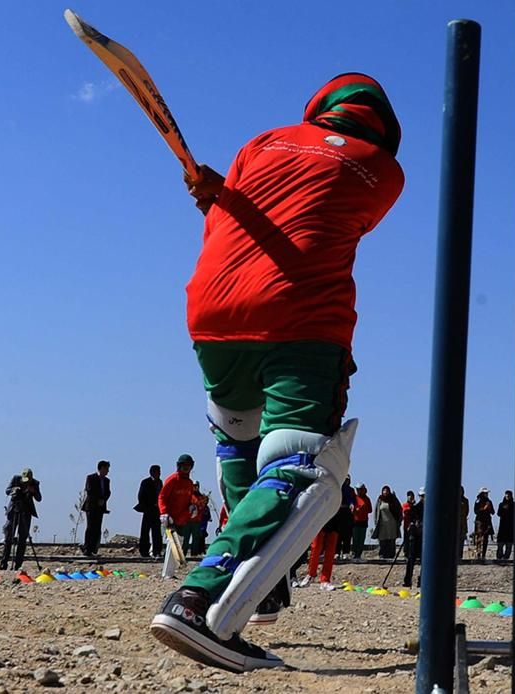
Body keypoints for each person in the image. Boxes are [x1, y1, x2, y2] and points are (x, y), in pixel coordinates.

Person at [149, 73, 404, 672]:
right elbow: (330, 212)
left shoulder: (261, 143)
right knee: (301, 465)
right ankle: (200, 596)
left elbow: (231, 223)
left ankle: (264, 582)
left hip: (212, 310)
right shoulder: (384, 171)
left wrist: (221, 195)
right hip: (302, 317)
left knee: (237, 439)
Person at [0, 468, 41, 570]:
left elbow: (39, 498)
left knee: (22, 539)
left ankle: (18, 565)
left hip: (26, 512)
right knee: (8, 537)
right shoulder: (16, 479)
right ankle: (3, 563)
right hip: (14, 510)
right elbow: (7, 491)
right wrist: (14, 490)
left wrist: (34, 492)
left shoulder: (35, 483)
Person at [157, 454, 197, 557]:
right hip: (169, 518)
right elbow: (162, 497)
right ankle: (167, 571)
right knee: (172, 544)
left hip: (182, 520)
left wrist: (192, 507)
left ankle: (174, 568)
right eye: (184, 465)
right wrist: (164, 512)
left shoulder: (189, 483)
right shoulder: (172, 479)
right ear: (179, 466)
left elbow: (188, 500)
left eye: (188, 465)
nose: (186, 467)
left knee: (180, 544)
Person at [81, 460, 111, 556]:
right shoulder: (91, 478)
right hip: (91, 506)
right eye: (106, 469)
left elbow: (108, 492)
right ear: (101, 468)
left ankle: (94, 549)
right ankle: (87, 548)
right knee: (90, 527)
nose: (107, 471)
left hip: (100, 508)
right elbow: (89, 490)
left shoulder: (107, 481)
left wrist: (103, 500)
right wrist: (97, 499)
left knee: (97, 528)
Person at [135, 465, 164, 558]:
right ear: (152, 473)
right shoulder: (146, 482)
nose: (159, 474)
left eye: (159, 472)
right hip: (148, 510)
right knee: (145, 531)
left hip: (157, 511)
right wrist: (148, 505)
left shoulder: (160, 482)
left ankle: (157, 551)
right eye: (157, 472)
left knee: (157, 532)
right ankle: (144, 551)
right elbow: (141, 496)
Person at [402, 489, 425, 588]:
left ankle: (422, 581)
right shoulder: (415, 508)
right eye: (422, 496)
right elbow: (410, 521)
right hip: (415, 537)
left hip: (424, 538)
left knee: (424, 561)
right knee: (411, 559)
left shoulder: (432, 508)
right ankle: (408, 580)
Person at [374, 485, 402, 559]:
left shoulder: (393, 499)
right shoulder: (380, 499)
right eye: (384, 490)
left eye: (387, 490)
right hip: (382, 523)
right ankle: (382, 554)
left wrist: (399, 521)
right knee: (382, 539)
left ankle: (391, 555)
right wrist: (376, 521)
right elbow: (376, 511)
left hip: (392, 523)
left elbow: (399, 510)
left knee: (391, 539)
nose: (385, 492)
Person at [335, 476, 357, 558]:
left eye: (347, 480)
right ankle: (336, 552)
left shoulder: (351, 490)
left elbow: (353, 500)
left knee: (347, 534)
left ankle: (346, 552)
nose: (346, 481)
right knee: (338, 534)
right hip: (338, 512)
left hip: (347, 513)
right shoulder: (338, 489)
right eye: (345, 479)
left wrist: (352, 504)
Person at [472, 487, 495, 562]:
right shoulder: (478, 501)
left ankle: (483, 555)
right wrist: (483, 509)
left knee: (486, 539)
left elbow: (493, 512)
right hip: (480, 521)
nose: (486, 494)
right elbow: (476, 511)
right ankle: (478, 554)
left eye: (487, 493)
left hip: (487, 521)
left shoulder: (489, 501)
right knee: (479, 538)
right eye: (485, 493)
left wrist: (489, 508)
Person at [351, 483, 372, 559]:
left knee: (361, 539)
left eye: (361, 489)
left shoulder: (367, 499)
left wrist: (363, 509)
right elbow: (351, 509)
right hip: (355, 521)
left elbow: (370, 510)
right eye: (358, 489)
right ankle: (354, 553)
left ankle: (359, 554)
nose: (359, 491)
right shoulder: (354, 498)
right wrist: (355, 509)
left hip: (363, 521)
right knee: (355, 538)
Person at [496, 489, 515, 560]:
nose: (507, 496)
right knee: (500, 543)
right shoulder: (501, 504)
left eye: (509, 495)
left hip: (511, 526)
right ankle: (499, 556)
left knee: (509, 544)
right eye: (506, 495)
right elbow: (498, 514)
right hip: (502, 526)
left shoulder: (514, 504)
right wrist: (503, 509)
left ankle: (506, 557)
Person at [458, 486, 470, 559]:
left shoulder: (466, 500)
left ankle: (460, 556)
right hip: (455, 523)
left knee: (461, 540)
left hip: (463, 523)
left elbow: (467, 512)